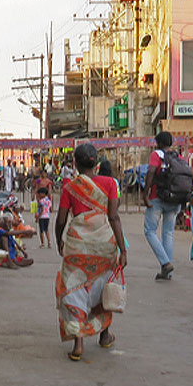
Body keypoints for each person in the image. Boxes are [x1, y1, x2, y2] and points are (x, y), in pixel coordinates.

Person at [55, 143, 127, 361]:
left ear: (75, 164)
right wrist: (122, 249)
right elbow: (114, 217)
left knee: (73, 288)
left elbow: (61, 219)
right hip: (104, 244)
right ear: (96, 163)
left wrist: (59, 240)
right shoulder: (110, 183)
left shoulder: (70, 187)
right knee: (102, 286)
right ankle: (104, 335)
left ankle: (78, 343)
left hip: (77, 245)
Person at [142, 131, 181, 280]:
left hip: (157, 198)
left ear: (158, 143)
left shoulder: (156, 155)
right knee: (168, 233)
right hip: (174, 199)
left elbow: (151, 171)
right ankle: (167, 271)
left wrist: (145, 193)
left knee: (150, 231)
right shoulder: (177, 156)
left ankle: (165, 263)